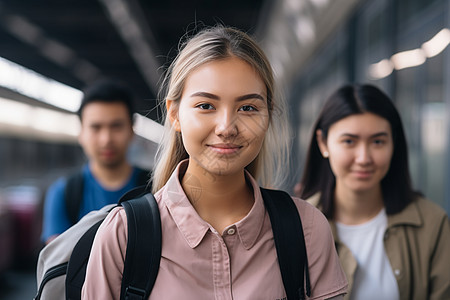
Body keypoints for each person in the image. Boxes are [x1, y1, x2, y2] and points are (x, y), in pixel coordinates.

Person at [82, 26, 348, 299]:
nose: (226, 127)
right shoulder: (122, 236)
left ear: (268, 116)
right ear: (174, 114)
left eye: (248, 108)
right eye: (206, 106)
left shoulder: (307, 229)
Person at [299, 84, 450, 300]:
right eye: (349, 141)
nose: (364, 158)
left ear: (393, 144)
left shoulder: (431, 224)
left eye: (378, 142)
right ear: (323, 143)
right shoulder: (296, 226)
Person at [41, 78, 150, 245]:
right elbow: (57, 264)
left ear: (132, 129)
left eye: (116, 126)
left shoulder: (156, 187)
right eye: (96, 127)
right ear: (81, 133)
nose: (106, 139)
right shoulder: (64, 193)